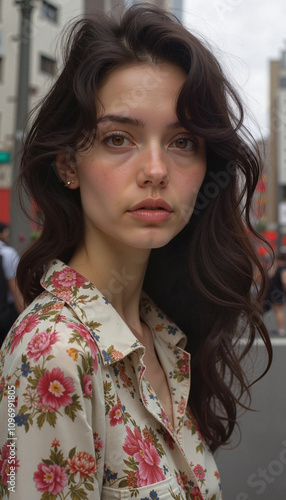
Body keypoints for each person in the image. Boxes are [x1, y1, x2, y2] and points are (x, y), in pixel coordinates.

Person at [0, 5, 272, 499]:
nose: (155, 169)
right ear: (68, 165)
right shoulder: (57, 352)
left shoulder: (162, 333)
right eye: (119, 138)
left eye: (183, 141)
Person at [0, 222, 24, 343]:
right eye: (5, 232)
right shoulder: (8, 253)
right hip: (5, 312)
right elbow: (15, 287)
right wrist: (24, 315)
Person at [264, 252, 286, 335]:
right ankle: (280, 329)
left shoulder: (283, 268)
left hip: (278, 292)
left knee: (278, 310)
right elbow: (270, 275)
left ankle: (281, 329)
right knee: (277, 310)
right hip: (275, 292)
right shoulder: (278, 268)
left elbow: (284, 281)